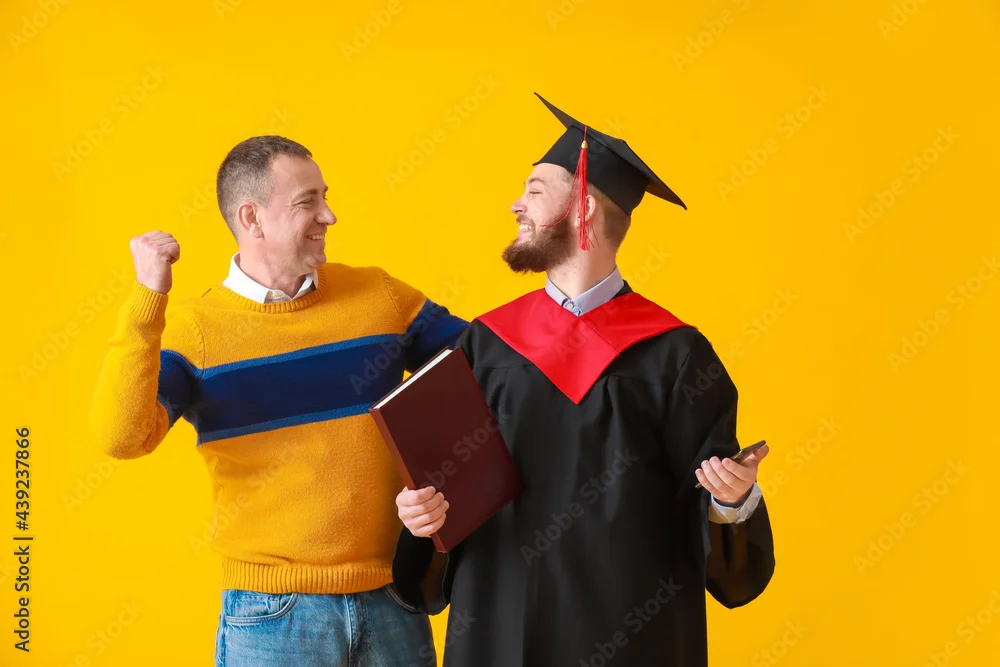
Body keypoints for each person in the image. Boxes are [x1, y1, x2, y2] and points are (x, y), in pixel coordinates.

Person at [391, 95, 775, 666]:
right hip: (501, 628)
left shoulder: (676, 355)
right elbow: (447, 497)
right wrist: (422, 520)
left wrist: (732, 500)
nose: (516, 204)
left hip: (635, 639)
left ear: (584, 208)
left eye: (535, 190)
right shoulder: (486, 344)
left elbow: (715, 531)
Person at [89, 135, 467, 666]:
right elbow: (121, 438)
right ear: (253, 218)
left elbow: (491, 368)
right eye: (308, 201)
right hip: (273, 616)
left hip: (394, 602)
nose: (329, 215)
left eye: (325, 197)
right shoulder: (197, 332)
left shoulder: (379, 297)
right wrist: (148, 298)